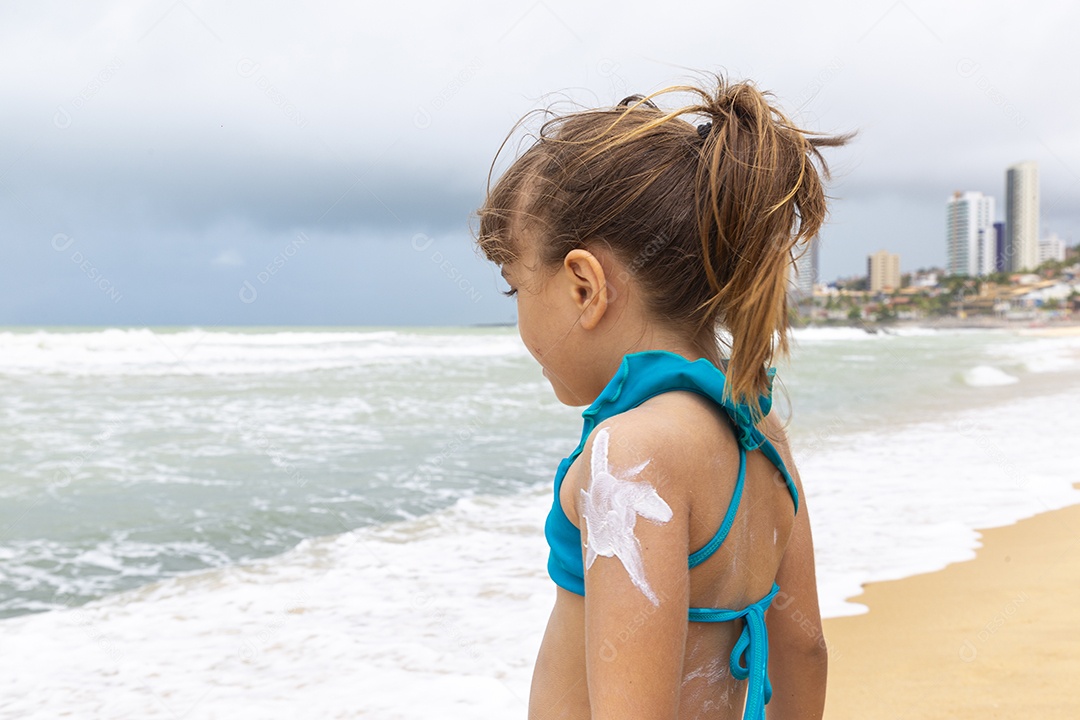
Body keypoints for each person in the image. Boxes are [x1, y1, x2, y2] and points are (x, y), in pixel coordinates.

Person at [473, 73, 851, 720]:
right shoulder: (761, 433)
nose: (519, 320)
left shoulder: (631, 455)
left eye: (515, 288)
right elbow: (805, 646)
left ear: (584, 288)